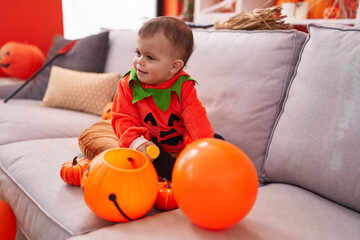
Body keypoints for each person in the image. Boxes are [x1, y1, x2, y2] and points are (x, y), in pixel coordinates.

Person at [111, 16, 214, 180]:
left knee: (217, 141)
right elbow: (122, 118)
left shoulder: (184, 87)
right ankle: (179, 177)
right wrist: (138, 143)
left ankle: (192, 170)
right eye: (138, 53)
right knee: (154, 158)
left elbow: (196, 119)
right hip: (149, 146)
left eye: (149, 57)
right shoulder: (127, 84)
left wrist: (207, 148)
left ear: (174, 66)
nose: (139, 62)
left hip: (179, 147)